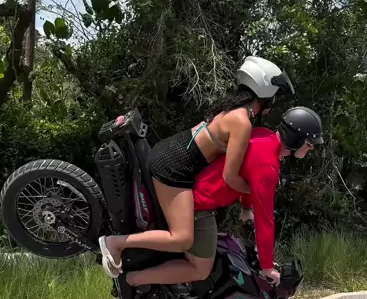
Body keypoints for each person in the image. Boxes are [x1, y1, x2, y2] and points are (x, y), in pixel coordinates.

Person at [98, 57, 294, 277]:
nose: (274, 101)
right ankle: (115, 243)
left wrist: (247, 205)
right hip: (174, 167)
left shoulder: (233, 109)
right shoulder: (242, 122)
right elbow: (230, 176)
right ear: (266, 92)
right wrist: (252, 190)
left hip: (174, 154)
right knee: (181, 238)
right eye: (275, 95)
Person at [118, 107, 323, 299]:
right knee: (201, 269)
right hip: (200, 204)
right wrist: (267, 267)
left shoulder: (263, 136)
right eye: (309, 144)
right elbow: (265, 220)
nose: (311, 149)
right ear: (295, 139)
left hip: (194, 188)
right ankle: (132, 280)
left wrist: (245, 208)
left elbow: (247, 177)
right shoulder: (267, 167)